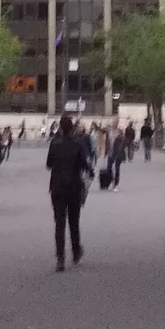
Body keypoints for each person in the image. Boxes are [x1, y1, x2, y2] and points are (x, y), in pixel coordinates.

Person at [47, 113, 91, 271]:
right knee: (74, 221)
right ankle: (76, 250)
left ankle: (60, 258)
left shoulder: (55, 143)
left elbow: (49, 163)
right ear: (71, 128)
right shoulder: (77, 143)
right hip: (73, 185)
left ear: (60, 127)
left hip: (58, 186)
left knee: (59, 223)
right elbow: (84, 163)